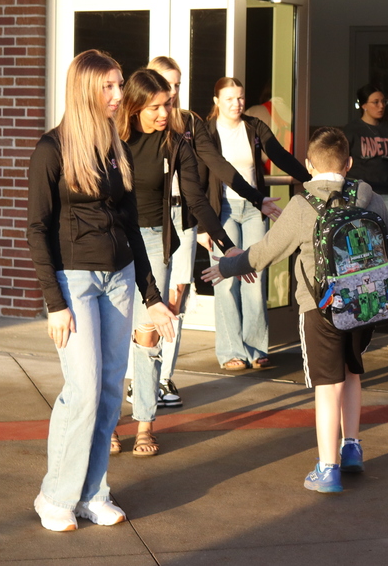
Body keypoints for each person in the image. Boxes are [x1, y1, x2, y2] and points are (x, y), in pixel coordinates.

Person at [202, 127, 388, 492]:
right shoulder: (367, 196)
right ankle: (351, 448)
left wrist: (226, 268)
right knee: (352, 374)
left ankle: (327, 468)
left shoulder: (303, 206)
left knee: (326, 385)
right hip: (363, 305)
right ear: (349, 164)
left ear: (307, 165)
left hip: (319, 308)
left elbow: (266, 252)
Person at [26, 50, 176, 532]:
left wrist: (151, 295)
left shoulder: (116, 148)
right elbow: (37, 229)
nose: (118, 96)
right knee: (84, 390)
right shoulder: (52, 149)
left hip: (119, 279)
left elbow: (132, 226)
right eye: (109, 87)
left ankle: (93, 493)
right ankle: (55, 497)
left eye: (118, 85)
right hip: (76, 282)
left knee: (111, 389)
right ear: (86, 89)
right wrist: (54, 303)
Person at [113, 68, 238, 456]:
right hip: (113, 244)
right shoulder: (111, 140)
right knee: (113, 337)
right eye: (156, 107)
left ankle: (145, 424)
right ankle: (109, 422)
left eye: (167, 103)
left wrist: (228, 245)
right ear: (135, 107)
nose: (165, 112)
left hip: (154, 243)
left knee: (149, 335)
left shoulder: (173, 141)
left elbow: (196, 198)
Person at [145, 56, 281, 399]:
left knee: (177, 300)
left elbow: (215, 166)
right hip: (149, 222)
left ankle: (163, 378)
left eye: (177, 84)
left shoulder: (189, 122)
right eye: (165, 83)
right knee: (150, 303)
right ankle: (143, 378)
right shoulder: (133, 125)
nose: (172, 92)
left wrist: (256, 198)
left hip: (187, 218)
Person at [202, 77, 311, 371]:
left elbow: (279, 155)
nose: (236, 104)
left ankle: (256, 349)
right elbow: (200, 177)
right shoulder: (207, 132)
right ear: (216, 102)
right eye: (229, 99)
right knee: (225, 281)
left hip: (253, 209)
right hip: (221, 210)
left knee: (255, 276)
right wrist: (202, 225)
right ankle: (230, 351)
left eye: (239, 98)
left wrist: (311, 181)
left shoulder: (254, 127)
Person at [344, 83, 388, 230]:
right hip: (359, 193)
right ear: (364, 105)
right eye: (376, 102)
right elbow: (342, 161)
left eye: (383, 102)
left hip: (386, 192)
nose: (381, 106)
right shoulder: (352, 130)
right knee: (360, 234)